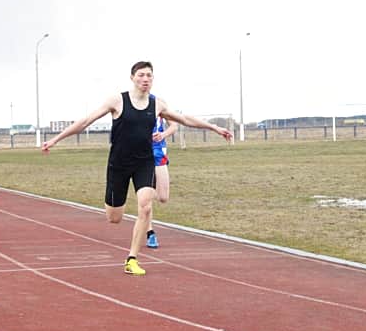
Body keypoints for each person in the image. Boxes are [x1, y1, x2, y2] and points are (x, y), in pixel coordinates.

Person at [42, 61, 233, 276]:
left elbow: (185, 119)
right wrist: (55, 140)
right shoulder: (117, 100)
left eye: (149, 75)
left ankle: (132, 258)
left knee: (145, 207)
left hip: (145, 162)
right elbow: (86, 121)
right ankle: (119, 212)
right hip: (119, 164)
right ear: (132, 78)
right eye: (141, 75)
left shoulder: (157, 104)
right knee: (114, 218)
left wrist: (215, 127)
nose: (145, 79)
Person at [145, 112, 179, 249]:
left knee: (163, 197)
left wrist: (162, 135)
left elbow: (174, 126)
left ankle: (146, 194)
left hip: (158, 152)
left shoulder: (157, 103)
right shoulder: (131, 104)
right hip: (141, 152)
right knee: (145, 197)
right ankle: (150, 232)